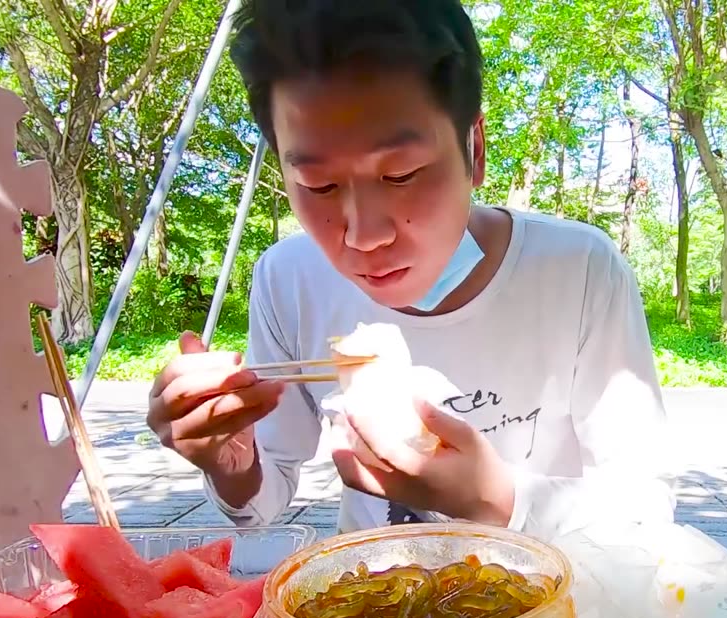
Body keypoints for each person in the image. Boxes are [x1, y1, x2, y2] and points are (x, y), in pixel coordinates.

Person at [145, 0, 674, 540]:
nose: (363, 235)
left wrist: (494, 498)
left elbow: (644, 509)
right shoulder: (291, 279)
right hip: (378, 606)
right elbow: (264, 493)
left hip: (549, 610)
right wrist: (229, 462)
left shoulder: (577, 272)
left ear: (476, 147)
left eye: (401, 174)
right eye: (319, 186)